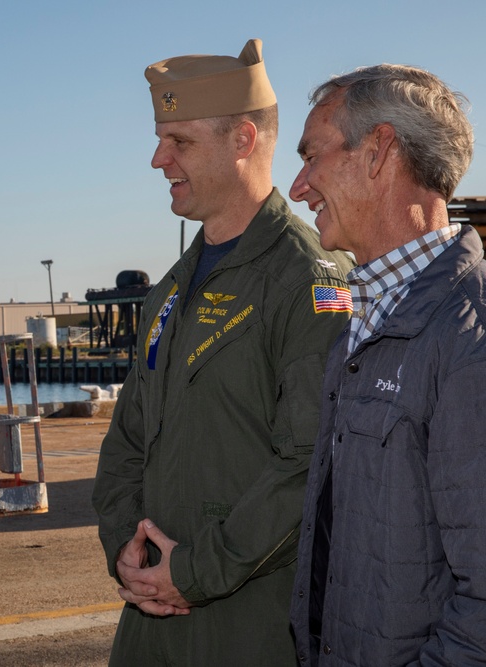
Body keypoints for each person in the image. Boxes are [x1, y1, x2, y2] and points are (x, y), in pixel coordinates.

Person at [91, 39, 354, 665]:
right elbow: (127, 442)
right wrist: (126, 551)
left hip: (249, 626)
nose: (158, 159)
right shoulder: (169, 291)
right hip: (150, 621)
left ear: (242, 139)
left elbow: (307, 465)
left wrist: (197, 571)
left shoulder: (312, 282)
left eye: (178, 142)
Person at [288, 65, 485, 665]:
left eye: (312, 156)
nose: (298, 187)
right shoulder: (365, 314)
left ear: (378, 152)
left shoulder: (468, 333)